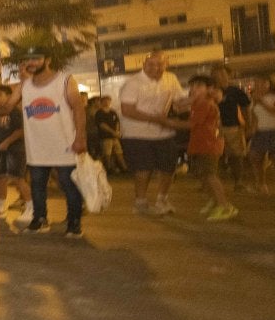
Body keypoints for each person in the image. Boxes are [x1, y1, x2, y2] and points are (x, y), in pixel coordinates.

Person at [12, 49, 87, 237]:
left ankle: (74, 223)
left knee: (68, 185)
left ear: (48, 59)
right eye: (28, 59)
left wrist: (80, 137)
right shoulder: (24, 85)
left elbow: (78, 108)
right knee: (37, 185)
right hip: (37, 146)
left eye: (36, 58)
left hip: (64, 143)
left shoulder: (65, 80)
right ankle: (40, 220)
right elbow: (6, 106)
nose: (32, 62)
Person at [119, 51, 186, 216]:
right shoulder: (133, 83)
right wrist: (156, 119)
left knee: (169, 167)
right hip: (137, 133)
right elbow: (127, 110)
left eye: (159, 64)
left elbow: (179, 102)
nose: (155, 68)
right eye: (150, 64)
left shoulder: (171, 78)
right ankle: (140, 201)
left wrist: (202, 98)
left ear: (166, 65)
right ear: (143, 65)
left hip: (164, 133)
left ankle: (162, 199)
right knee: (143, 168)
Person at [184, 76, 237, 221]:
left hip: (209, 144)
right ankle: (215, 201)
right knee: (204, 176)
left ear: (210, 89)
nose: (194, 89)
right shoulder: (199, 103)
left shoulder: (205, 104)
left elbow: (191, 124)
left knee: (210, 176)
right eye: (192, 85)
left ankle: (225, 206)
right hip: (202, 143)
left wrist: (164, 122)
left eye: (199, 86)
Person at [0, 85, 34, 225]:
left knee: (18, 179)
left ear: (8, 97)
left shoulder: (14, 111)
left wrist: (7, 141)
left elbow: (20, 131)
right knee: (0, 178)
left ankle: (31, 208)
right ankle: (0, 207)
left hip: (15, 149)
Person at [248, 77, 275, 197]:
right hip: (261, 131)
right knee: (255, 157)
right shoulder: (255, 99)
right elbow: (254, 114)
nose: (259, 86)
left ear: (270, 84)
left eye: (263, 83)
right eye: (257, 84)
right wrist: (252, 128)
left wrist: (261, 101)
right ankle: (261, 184)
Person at [212, 65, 252, 192]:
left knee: (237, 155)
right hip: (213, 128)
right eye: (217, 75)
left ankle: (238, 182)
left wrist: (248, 124)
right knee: (213, 156)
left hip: (233, 127)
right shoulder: (209, 91)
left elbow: (246, 107)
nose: (220, 77)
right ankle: (211, 183)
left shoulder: (235, 91)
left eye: (223, 74)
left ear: (228, 75)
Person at [94, 96, 128, 174]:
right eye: (105, 101)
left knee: (119, 152)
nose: (107, 103)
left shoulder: (113, 112)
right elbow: (102, 125)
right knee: (107, 153)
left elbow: (117, 122)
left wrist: (116, 131)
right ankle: (108, 168)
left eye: (108, 101)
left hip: (114, 136)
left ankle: (124, 168)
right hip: (105, 136)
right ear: (102, 102)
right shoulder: (99, 113)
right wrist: (113, 132)